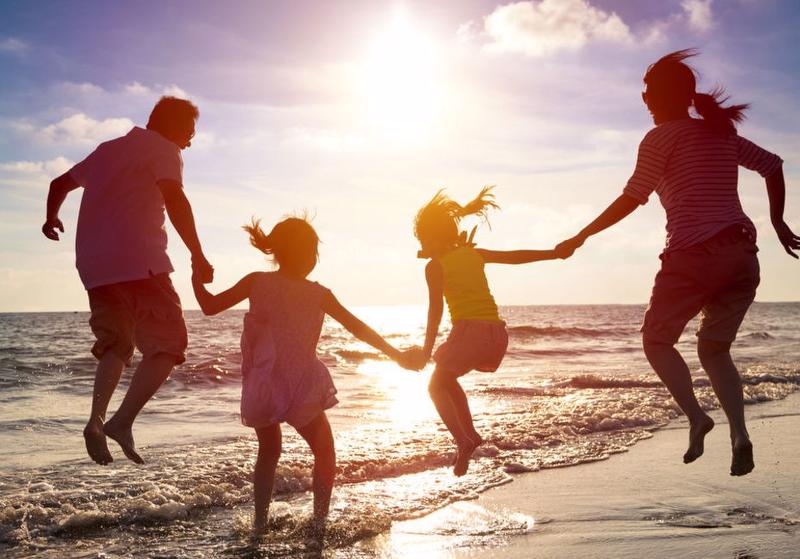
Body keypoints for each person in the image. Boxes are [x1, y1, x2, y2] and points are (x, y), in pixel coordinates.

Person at [555, 50, 798, 476]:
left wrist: (582, 235)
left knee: (656, 339)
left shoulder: (660, 138)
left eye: (648, 92)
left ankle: (697, 417)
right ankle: (739, 433)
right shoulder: (719, 133)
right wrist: (777, 222)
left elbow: (632, 197)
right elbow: (773, 165)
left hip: (694, 255)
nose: (644, 99)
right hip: (742, 257)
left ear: (661, 97)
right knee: (714, 349)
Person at [192, 216, 417, 537]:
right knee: (324, 449)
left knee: (269, 451)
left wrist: (195, 277)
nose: (314, 258)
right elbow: (358, 329)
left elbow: (210, 306)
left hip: (264, 385)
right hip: (301, 385)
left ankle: (259, 523)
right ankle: (319, 520)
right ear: (299, 253)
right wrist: (395, 355)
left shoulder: (256, 281)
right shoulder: (319, 293)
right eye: (312, 251)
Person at [41, 96, 214, 466]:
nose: (190, 140)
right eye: (190, 131)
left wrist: (50, 218)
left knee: (116, 344)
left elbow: (59, 183)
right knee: (169, 345)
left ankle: (95, 420)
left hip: (95, 268)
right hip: (141, 262)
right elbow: (176, 197)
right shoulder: (164, 149)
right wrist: (198, 254)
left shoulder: (107, 150)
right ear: (173, 125)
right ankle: (121, 422)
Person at [408, 187, 565, 476]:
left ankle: (463, 441)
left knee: (434, 385)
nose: (420, 244)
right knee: (447, 378)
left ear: (433, 238)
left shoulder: (434, 267)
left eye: (422, 238)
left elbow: (435, 312)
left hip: (470, 332)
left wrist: (426, 350)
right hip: (496, 334)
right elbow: (514, 257)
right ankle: (470, 436)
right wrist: (553, 253)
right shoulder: (473, 253)